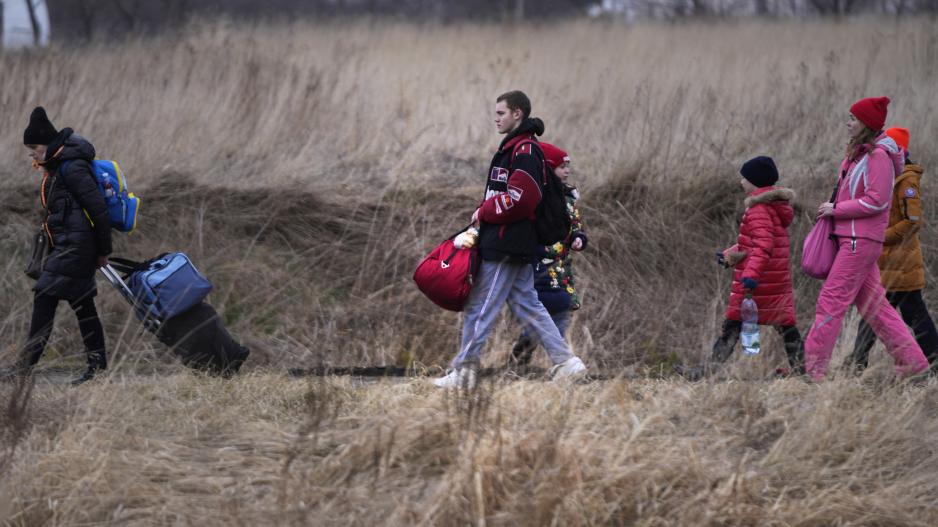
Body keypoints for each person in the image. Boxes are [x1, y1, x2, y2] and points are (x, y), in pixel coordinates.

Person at [433, 91, 587, 388]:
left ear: (518, 114)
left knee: (480, 307)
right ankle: (566, 362)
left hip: (507, 243)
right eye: (496, 113)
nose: (496, 118)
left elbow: (523, 198)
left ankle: (464, 371)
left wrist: (485, 210)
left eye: (501, 113)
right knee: (531, 307)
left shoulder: (525, 151)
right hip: (511, 242)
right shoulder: (516, 148)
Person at [806, 97, 929, 381]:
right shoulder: (859, 155)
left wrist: (836, 209)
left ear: (866, 124)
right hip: (852, 239)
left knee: (830, 302)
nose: (848, 122)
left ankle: (812, 372)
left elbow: (877, 200)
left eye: (853, 118)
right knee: (876, 307)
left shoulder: (878, 157)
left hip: (858, 242)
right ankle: (914, 365)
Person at [17, 107, 112, 385]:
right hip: (71, 247)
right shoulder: (60, 167)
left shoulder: (72, 167)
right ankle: (98, 368)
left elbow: (98, 210)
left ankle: (25, 368)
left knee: (45, 294)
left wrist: (104, 250)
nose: (31, 154)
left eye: (34, 147)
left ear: (48, 143)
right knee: (83, 304)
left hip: (78, 248)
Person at [845, 127, 938, 373]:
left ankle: (933, 362)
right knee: (873, 315)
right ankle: (856, 364)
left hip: (902, 266)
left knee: (913, 318)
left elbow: (912, 222)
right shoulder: (886, 174)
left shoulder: (907, 181)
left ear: (899, 150)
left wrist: (880, 237)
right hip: (884, 264)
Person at [709, 156, 804, 375]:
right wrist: (729, 256)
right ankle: (803, 371)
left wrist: (750, 275)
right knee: (786, 327)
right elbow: (751, 244)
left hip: (759, 281)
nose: (741, 182)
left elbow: (763, 246)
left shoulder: (758, 209)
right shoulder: (771, 206)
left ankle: (709, 371)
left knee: (732, 324)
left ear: (754, 182)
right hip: (774, 280)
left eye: (744, 178)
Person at [509, 142, 588, 366]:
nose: (567, 171)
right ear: (549, 169)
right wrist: (538, 250)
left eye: (567, 167)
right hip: (538, 265)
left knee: (562, 306)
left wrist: (579, 238)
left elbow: (576, 227)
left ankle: (560, 358)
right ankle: (525, 350)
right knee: (541, 308)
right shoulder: (537, 199)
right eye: (562, 166)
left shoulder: (569, 199)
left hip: (562, 266)